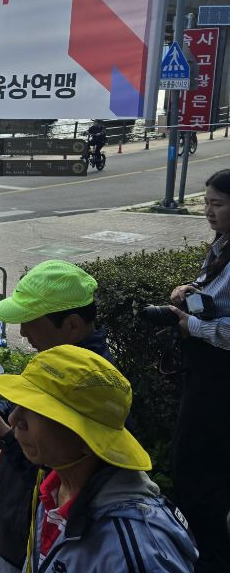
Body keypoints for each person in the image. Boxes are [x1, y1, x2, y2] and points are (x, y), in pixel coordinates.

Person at [0, 260, 116, 573]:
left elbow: (60, 474)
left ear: (72, 325)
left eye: (31, 321)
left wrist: (1, 431)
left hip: (32, 544)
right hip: (14, 528)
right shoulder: (55, 363)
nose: (23, 332)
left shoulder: (92, 389)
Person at [0, 345, 197, 572]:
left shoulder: (137, 553)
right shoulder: (54, 491)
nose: (13, 418)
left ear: (89, 439)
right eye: (18, 404)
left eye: (37, 410)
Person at [166, 169, 230, 572]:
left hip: (220, 378)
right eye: (205, 202)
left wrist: (194, 326)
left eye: (217, 204)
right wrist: (189, 290)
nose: (208, 211)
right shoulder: (222, 243)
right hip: (204, 371)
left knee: (199, 469)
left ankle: (209, 558)